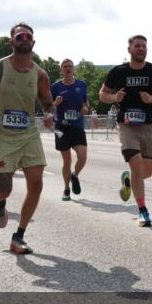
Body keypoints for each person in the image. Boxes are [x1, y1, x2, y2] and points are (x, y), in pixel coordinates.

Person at [0, 22, 56, 254]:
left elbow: (48, 103)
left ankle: (18, 236)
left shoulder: (40, 74)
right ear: (12, 42)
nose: (24, 39)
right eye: (19, 37)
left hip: (29, 134)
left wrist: (49, 115)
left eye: (28, 36)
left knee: (36, 183)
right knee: (4, 188)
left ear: (33, 42)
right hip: (2, 136)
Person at [99, 35, 152, 227]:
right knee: (137, 165)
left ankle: (129, 179)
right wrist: (114, 97)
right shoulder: (118, 72)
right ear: (129, 49)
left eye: (144, 46)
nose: (141, 49)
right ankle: (143, 210)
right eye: (137, 46)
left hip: (147, 125)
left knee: (146, 172)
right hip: (127, 125)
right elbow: (102, 94)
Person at [50, 59, 91, 201]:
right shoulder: (55, 87)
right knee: (66, 160)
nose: (68, 68)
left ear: (74, 69)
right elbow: (48, 108)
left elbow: (86, 105)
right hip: (61, 127)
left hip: (77, 126)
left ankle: (75, 175)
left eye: (70, 66)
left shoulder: (81, 85)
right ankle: (66, 189)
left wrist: (86, 109)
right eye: (65, 67)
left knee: (83, 156)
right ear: (61, 70)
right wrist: (55, 103)